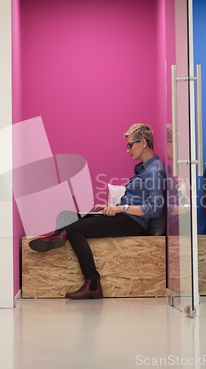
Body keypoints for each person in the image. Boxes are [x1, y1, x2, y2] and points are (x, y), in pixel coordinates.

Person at [29, 124, 166, 300]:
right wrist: (111, 208)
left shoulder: (155, 171)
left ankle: (92, 283)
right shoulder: (145, 169)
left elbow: (154, 209)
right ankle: (58, 235)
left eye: (130, 145)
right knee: (66, 215)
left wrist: (119, 208)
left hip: (134, 222)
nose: (127, 150)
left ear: (144, 142)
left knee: (74, 229)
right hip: (124, 216)